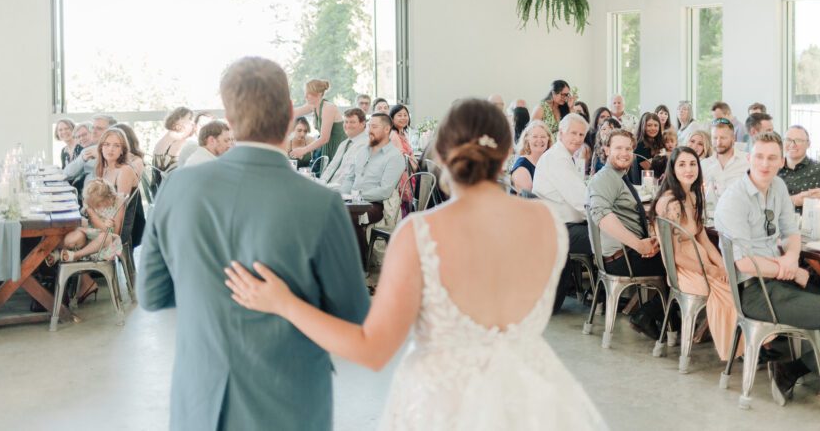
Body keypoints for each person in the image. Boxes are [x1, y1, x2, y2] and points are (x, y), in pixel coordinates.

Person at [223, 98, 607, 431]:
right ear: (508, 152)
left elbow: (373, 349)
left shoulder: (422, 232)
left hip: (442, 404)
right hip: (531, 399)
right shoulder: (546, 223)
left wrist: (284, 303)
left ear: (438, 154)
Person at [139, 57, 369, 430]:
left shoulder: (177, 188)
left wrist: (210, 295)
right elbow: (353, 317)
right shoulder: (321, 204)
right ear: (290, 117)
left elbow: (151, 293)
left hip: (201, 400)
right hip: (290, 401)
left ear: (229, 120)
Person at [714, 132, 820, 429]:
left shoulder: (777, 185)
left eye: (771, 158)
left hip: (780, 279)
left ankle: (789, 370)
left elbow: (791, 232)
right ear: (749, 158)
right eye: (759, 157)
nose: (765, 164)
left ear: (781, 161)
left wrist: (791, 260)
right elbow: (742, 262)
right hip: (753, 291)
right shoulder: (734, 199)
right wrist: (788, 268)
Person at [649, 147, 739, 361]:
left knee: (738, 279)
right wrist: (711, 270)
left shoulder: (692, 195)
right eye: (682, 164)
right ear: (672, 169)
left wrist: (723, 266)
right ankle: (738, 347)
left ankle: (744, 344)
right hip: (684, 268)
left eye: (692, 164)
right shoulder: (671, 203)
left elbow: (704, 240)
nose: (689, 169)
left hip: (701, 259)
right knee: (731, 291)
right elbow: (676, 255)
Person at [587, 128, 666, 339]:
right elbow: (601, 216)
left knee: (675, 255)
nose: (624, 153)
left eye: (628, 148)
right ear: (606, 150)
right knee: (680, 266)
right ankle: (647, 315)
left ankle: (668, 320)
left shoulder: (618, 177)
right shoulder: (605, 178)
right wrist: (639, 245)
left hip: (625, 253)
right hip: (621, 258)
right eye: (618, 148)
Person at [531, 113, 590, 311]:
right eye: (573, 133)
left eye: (581, 135)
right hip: (559, 229)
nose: (578, 139)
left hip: (558, 224)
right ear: (561, 134)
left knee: (607, 231)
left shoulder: (563, 156)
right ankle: (607, 292)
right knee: (611, 237)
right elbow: (582, 203)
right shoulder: (557, 159)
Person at [341, 113, 407, 262]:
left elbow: (385, 191)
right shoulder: (362, 151)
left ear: (386, 129)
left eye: (374, 126)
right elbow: (349, 178)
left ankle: (360, 267)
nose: (370, 130)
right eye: (369, 126)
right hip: (352, 199)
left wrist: (356, 196)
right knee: (327, 211)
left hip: (376, 204)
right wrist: (341, 195)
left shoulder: (394, 156)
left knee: (352, 216)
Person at [58, 179, 125, 265]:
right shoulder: (90, 203)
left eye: (98, 205)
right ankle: (60, 253)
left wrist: (107, 226)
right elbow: (89, 222)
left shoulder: (118, 202)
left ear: (108, 198)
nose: (96, 208)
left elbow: (115, 232)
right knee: (70, 240)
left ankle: (77, 255)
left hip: (103, 243)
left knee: (107, 237)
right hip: (90, 237)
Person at [778, 126, 820, 210]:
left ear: (808, 144)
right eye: (788, 139)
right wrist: (794, 200)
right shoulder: (772, 170)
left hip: (812, 221)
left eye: (798, 140)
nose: (792, 144)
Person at [292, 80, 347, 163]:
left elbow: (324, 138)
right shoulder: (313, 106)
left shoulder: (328, 108)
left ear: (319, 94)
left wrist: (304, 150)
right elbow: (293, 112)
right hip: (327, 147)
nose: (305, 96)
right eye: (305, 93)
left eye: (309, 93)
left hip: (339, 147)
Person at [700, 118, 749, 200]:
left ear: (733, 138)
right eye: (715, 138)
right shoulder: (704, 165)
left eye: (723, 138)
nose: (718, 143)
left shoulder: (747, 161)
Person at [64, 114, 116, 187]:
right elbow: (67, 173)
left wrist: (101, 157)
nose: (94, 131)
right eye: (93, 128)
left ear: (112, 131)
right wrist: (82, 159)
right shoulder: (89, 150)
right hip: (87, 195)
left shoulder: (118, 151)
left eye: (99, 128)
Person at [320, 109, 368, 185]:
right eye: (346, 122)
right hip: (329, 186)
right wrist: (322, 181)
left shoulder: (367, 144)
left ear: (363, 124)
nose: (348, 125)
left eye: (352, 122)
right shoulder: (344, 143)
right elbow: (332, 166)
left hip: (343, 189)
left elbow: (351, 174)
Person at [510, 120, 551, 194]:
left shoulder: (548, 162)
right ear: (527, 139)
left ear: (548, 139)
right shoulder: (522, 167)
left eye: (543, 137)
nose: (539, 140)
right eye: (535, 136)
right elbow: (528, 199)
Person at [153, 107, 195, 176]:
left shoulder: (164, 140)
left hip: (159, 185)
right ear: (178, 121)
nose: (192, 123)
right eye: (190, 119)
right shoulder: (179, 143)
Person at [631, 112, 666, 180]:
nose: (653, 128)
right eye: (649, 125)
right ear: (643, 126)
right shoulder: (639, 145)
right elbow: (650, 171)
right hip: (647, 184)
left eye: (656, 125)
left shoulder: (659, 143)